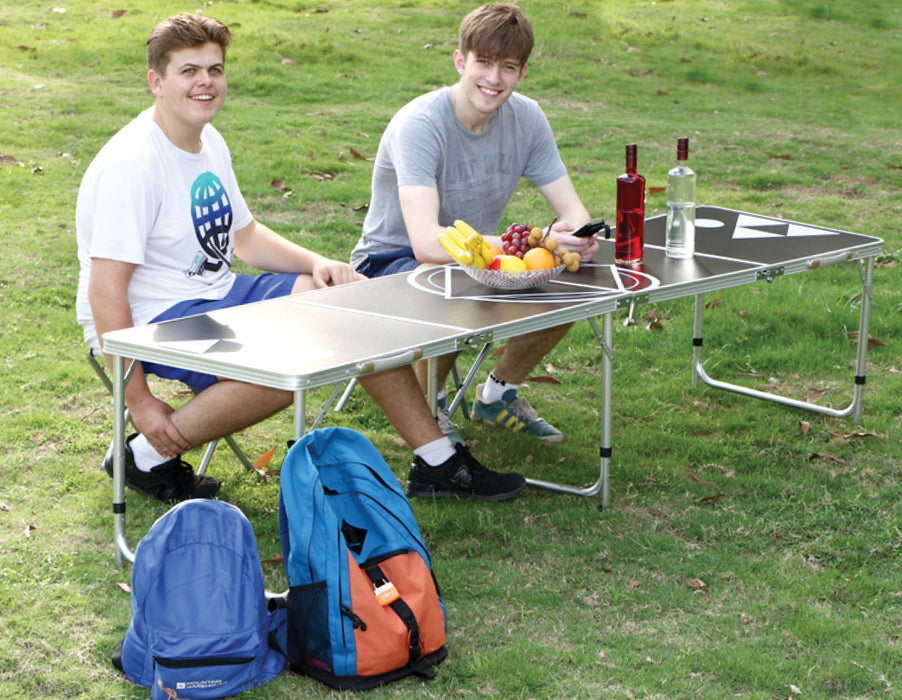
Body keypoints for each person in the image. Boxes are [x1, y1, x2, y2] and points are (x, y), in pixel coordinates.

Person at [75, 13, 524, 503]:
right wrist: (138, 401)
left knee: (353, 298)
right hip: (152, 318)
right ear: (156, 82)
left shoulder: (207, 142)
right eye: (189, 71)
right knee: (298, 357)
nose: (205, 82)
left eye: (215, 69)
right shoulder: (132, 165)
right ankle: (145, 455)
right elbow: (106, 292)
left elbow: (243, 238)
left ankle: (437, 463)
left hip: (214, 295)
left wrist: (317, 265)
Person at [350, 2, 599, 445]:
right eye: (483, 62)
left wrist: (576, 238)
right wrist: (520, 244)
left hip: (479, 260)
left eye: (507, 67)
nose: (494, 79)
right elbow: (426, 243)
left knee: (568, 280)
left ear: (521, 74)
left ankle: (499, 393)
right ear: (460, 61)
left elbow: (573, 212)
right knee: (450, 280)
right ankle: (428, 409)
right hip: (391, 261)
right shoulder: (420, 124)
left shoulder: (528, 117)